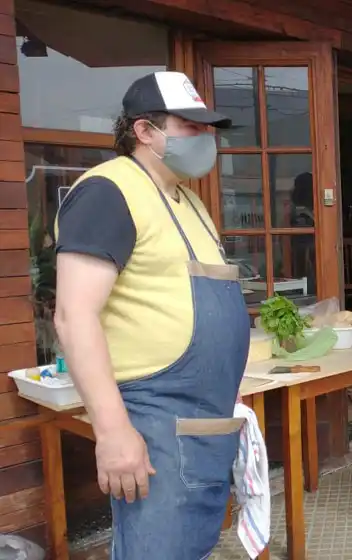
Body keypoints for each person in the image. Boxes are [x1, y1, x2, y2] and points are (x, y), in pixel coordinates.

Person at [53, 71, 249, 559]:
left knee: (194, 546)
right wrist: (114, 431)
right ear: (144, 131)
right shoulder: (108, 191)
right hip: (153, 417)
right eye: (191, 127)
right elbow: (73, 316)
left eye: (208, 129)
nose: (206, 139)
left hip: (205, 416)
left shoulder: (190, 202)